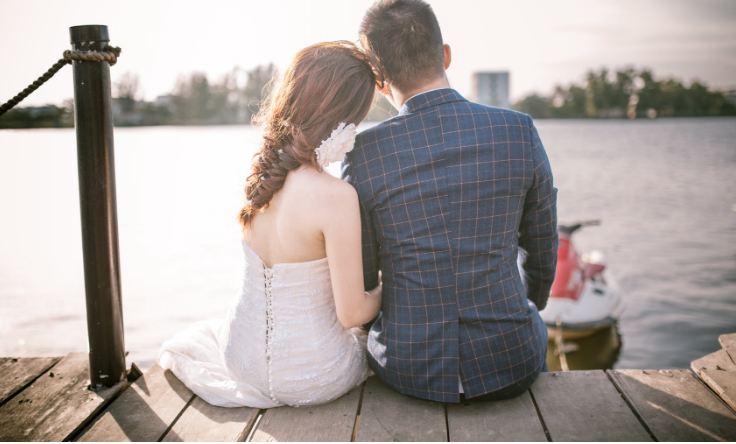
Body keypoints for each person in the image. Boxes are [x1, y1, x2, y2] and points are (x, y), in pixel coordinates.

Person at [342, 0, 558, 403]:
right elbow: (542, 245)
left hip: (409, 369)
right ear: (445, 55)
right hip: (510, 361)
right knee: (532, 328)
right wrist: (531, 302)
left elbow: (366, 275)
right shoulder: (518, 131)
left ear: (380, 79)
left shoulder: (364, 153)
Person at [158, 41, 382, 408]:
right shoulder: (337, 196)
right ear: (342, 119)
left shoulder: (264, 183)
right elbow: (352, 313)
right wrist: (386, 289)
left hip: (240, 359)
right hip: (315, 373)